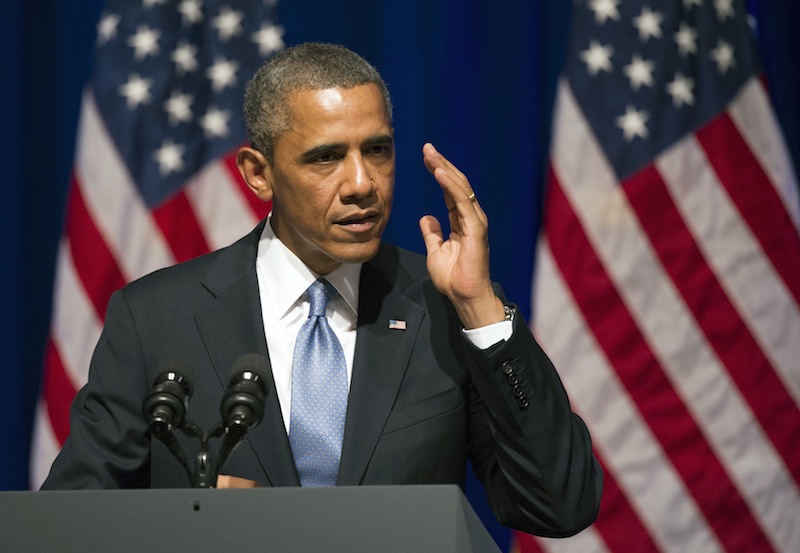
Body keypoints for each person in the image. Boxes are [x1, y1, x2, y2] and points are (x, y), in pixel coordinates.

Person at [41, 42, 602, 537]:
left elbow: (560, 505)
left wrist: (480, 308)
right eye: (326, 157)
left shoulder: (444, 309)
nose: (361, 184)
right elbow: (65, 524)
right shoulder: (156, 317)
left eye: (376, 150)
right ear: (258, 173)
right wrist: (187, 518)